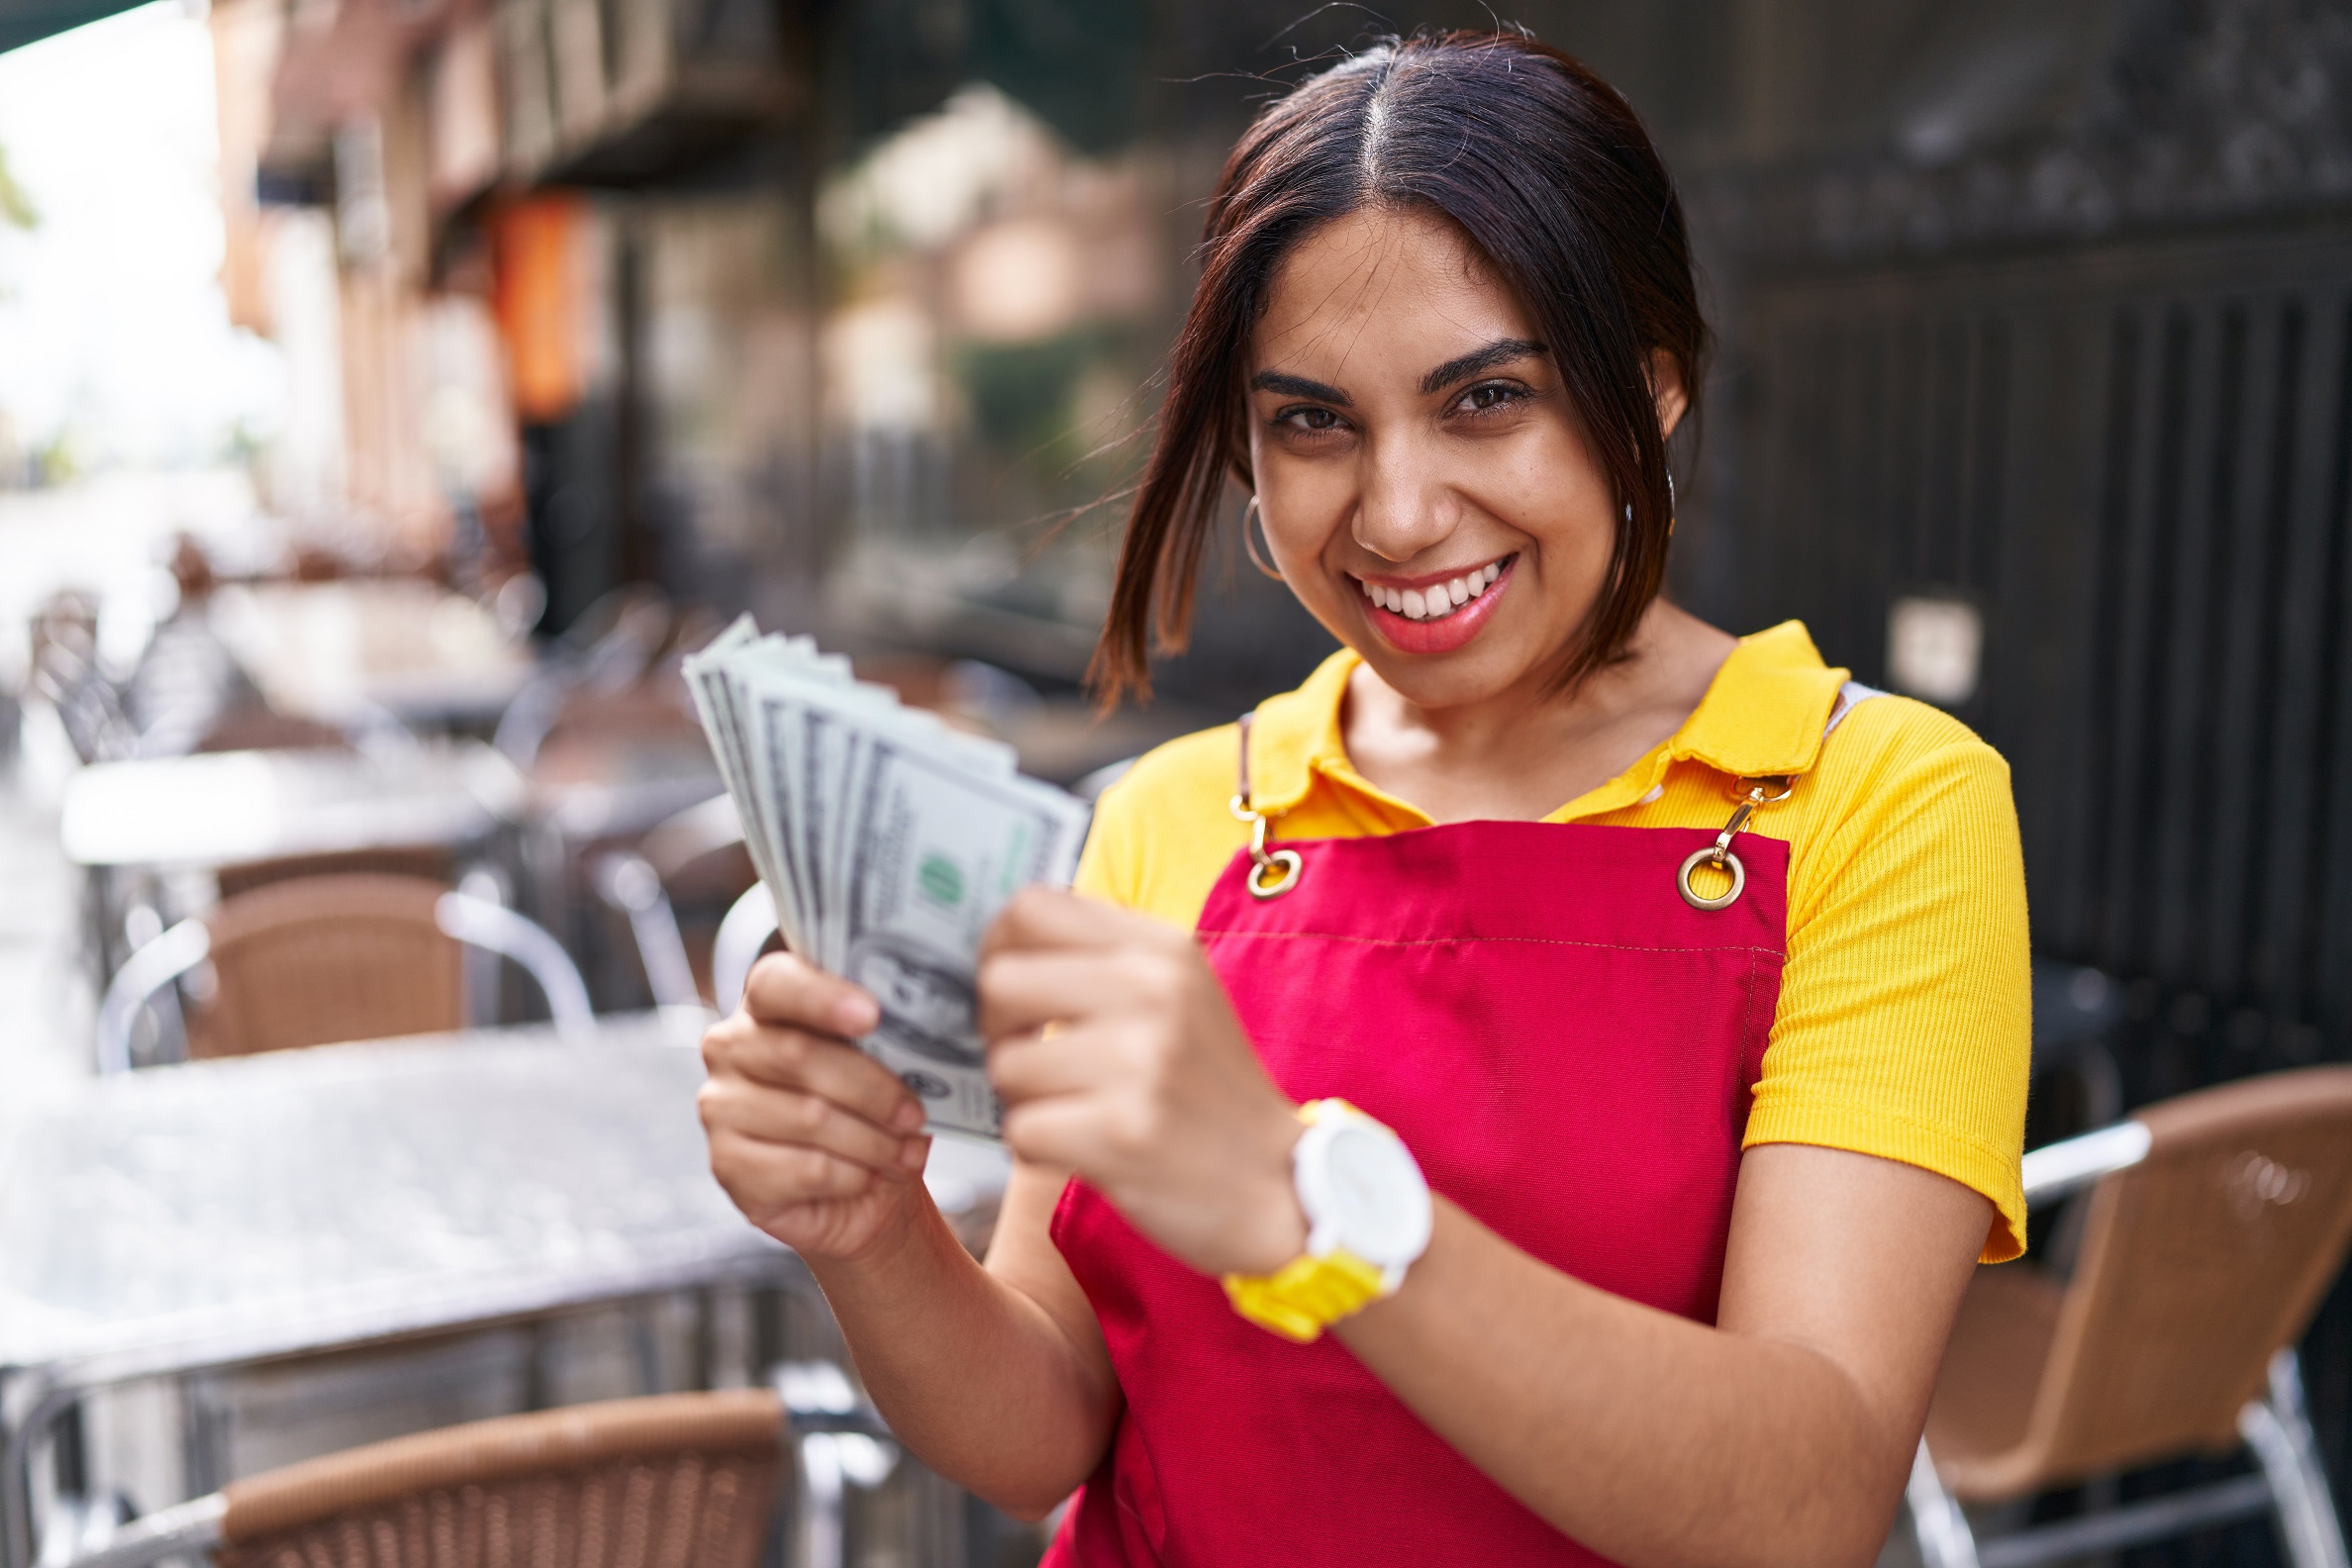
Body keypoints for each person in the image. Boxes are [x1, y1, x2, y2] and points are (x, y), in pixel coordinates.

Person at [699, 31, 2028, 1567]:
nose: (1396, 515)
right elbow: (1051, 1426)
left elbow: (1805, 1507)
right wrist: (871, 1232)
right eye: (1312, 422)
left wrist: (1310, 1203)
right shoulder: (1182, 815)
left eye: (1486, 400)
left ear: (1651, 395)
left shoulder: (1882, 804)